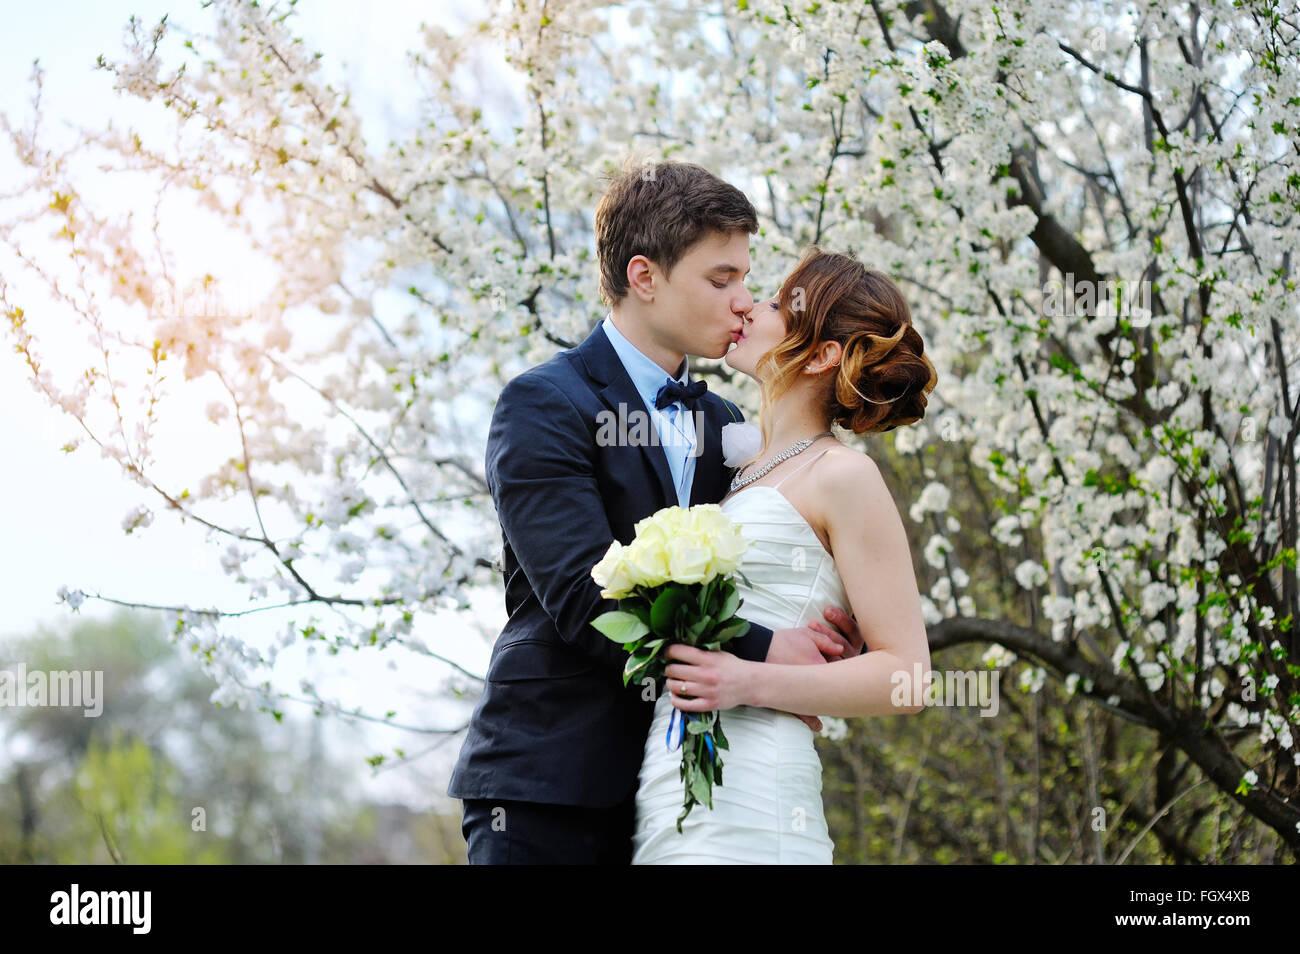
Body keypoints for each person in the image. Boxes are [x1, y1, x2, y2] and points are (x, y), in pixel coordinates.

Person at [446, 159, 863, 864]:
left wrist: (816, 643)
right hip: (550, 786)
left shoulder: (732, 423)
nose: (743, 301)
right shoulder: (544, 404)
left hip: (692, 796)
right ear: (644, 277)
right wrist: (766, 649)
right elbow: (587, 597)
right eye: (720, 279)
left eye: (744, 279)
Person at [630, 245, 937, 864]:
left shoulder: (843, 475)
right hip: (668, 777)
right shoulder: (734, 469)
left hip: (756, 787)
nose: (746, 305)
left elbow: (908, 677)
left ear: (824, 355)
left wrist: (751, 678)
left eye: (774, 303)